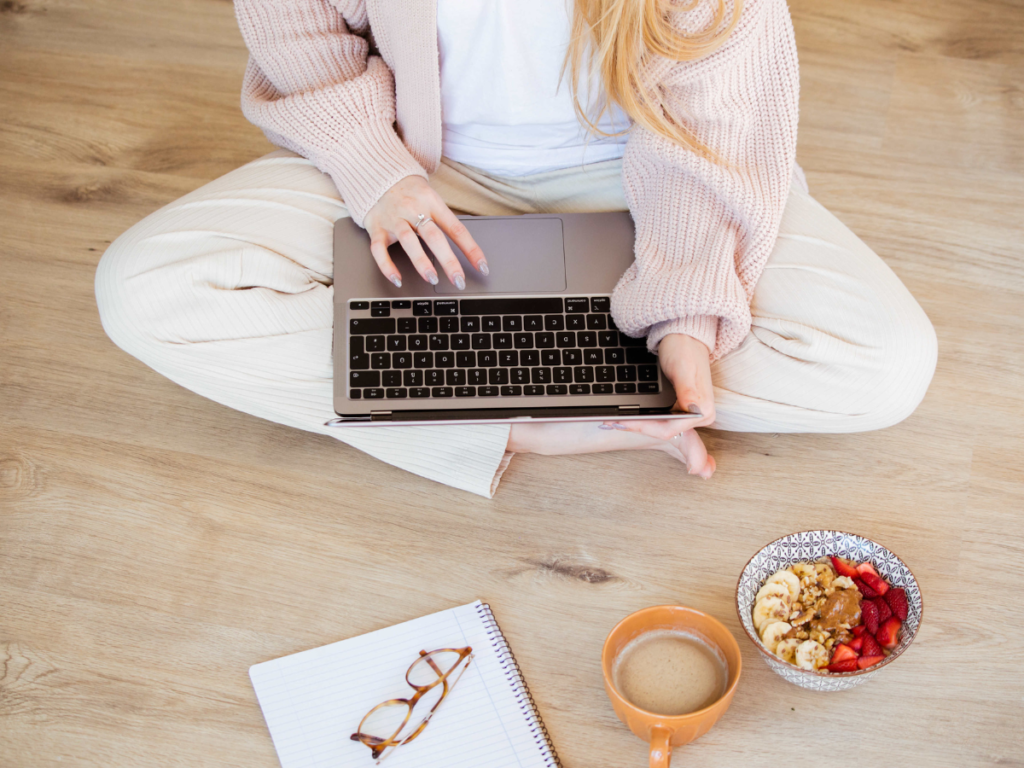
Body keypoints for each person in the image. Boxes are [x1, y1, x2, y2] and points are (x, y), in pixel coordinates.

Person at [95, 0, 937, 498]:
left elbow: (712, 115)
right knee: (146, 289)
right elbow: (302, 38)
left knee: (885, 366)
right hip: (418, 171)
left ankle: (488, 370)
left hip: (654, 177)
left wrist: (685, 308)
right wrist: (374, 170)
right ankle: (528, 419)